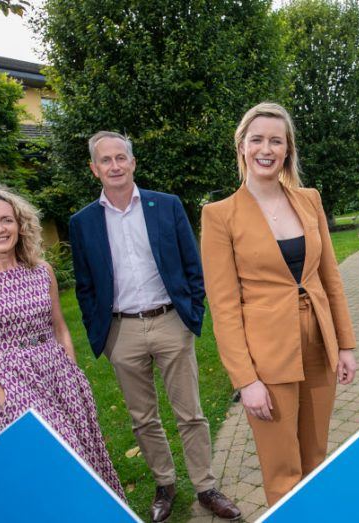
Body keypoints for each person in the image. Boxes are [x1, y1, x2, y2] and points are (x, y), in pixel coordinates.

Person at [69, 131, 240, 522]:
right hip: (121, 331)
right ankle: (165, 483)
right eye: (105, 160)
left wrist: (191, 313)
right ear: (95, 169)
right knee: (143, 418)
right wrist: (105, 336)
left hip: (169, 322)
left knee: (190, 413)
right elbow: (85, 285)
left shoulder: (165, 206)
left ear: (132, 162)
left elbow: (192, 264)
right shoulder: (83, 222)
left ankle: (205, 486)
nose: (114, 166)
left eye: (120, 158)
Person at [201, 102, 357, 507]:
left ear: (288, 149)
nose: (265, 148)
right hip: (267, 355)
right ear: (242, 147)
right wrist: (245, 380)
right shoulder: (220, 215)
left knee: (316, 457)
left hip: (319, 342)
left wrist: (347, 344)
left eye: (276, 140)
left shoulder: (309, 199)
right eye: (257, 140)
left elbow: (331, 278)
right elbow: (223, 306)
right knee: (282, 468)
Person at [0, 185, 125, 500]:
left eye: (6, 220)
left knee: (86, 452)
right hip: (10, 382)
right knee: (60, 460)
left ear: (20, 224)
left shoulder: (42, 271)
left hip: (58, 373)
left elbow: (60, 327)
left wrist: (70, 370)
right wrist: (8, 402)